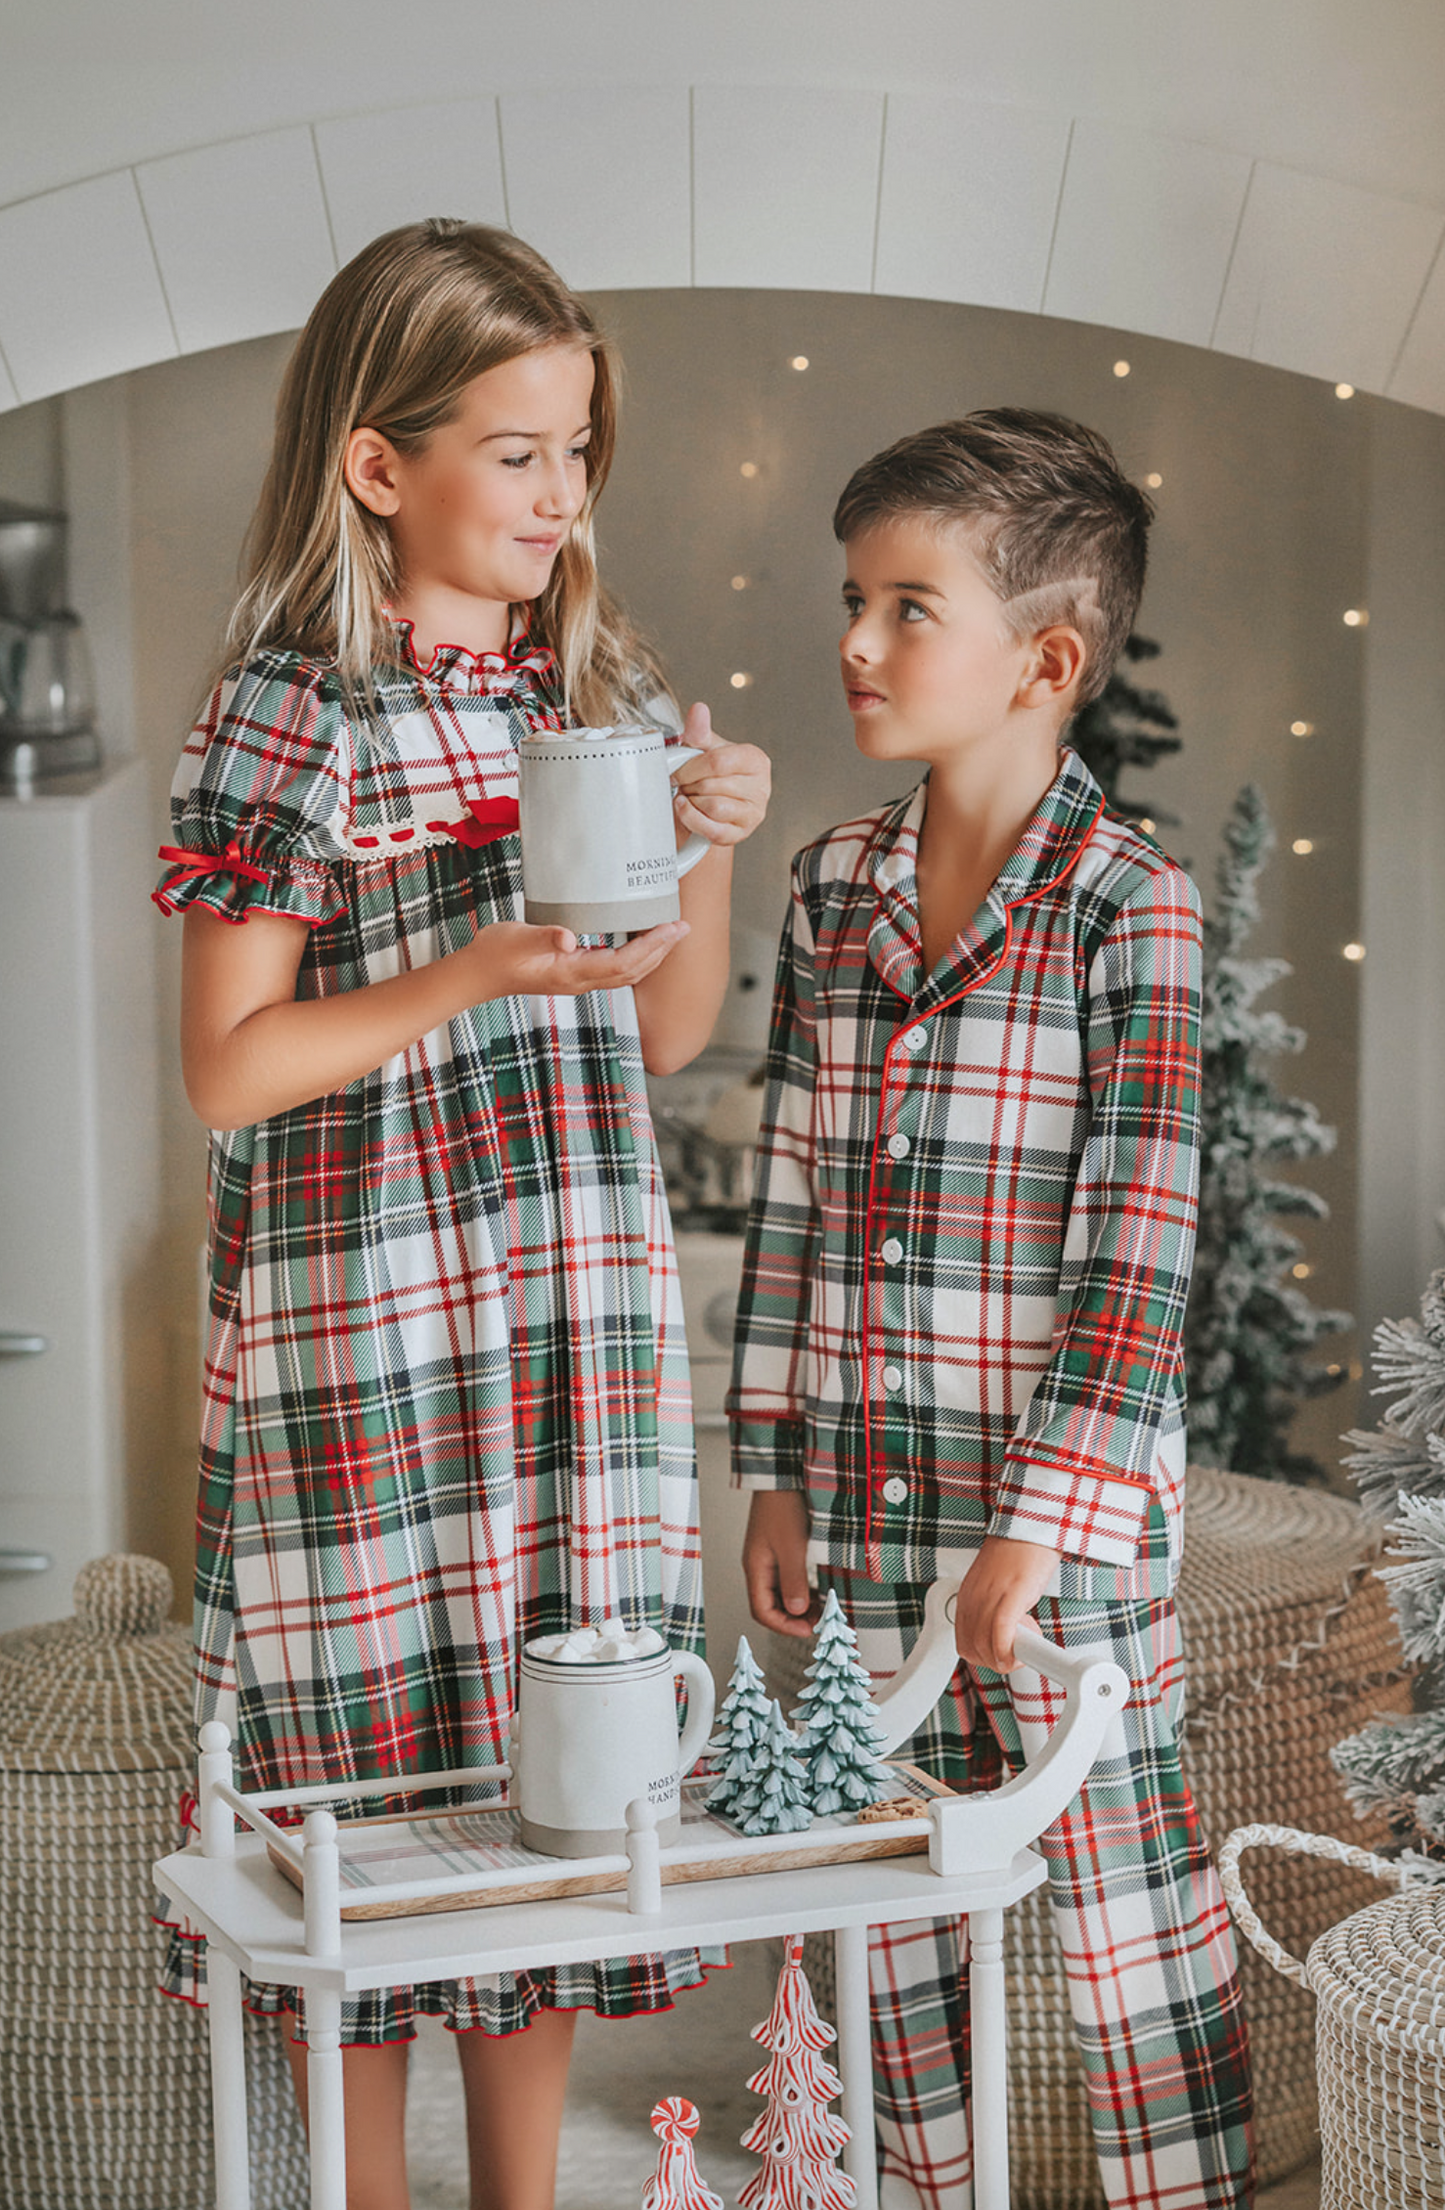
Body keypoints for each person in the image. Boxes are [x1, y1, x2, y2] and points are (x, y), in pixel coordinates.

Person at [153, 218, 770, 2210]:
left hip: (580, 1322)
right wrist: (466, 971)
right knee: (360, 1792)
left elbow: (661, 1027)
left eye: (577, 448)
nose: (561, 490)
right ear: (377, 464)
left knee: (563, 1772)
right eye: (516, 450)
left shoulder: (600, 695)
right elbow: (228, 1067)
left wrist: (709, 847)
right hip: (371, 1331)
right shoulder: (293, 713)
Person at [729, 410, 1253, 2209]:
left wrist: (1038, 1526)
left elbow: (1136, 1250)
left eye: (907, 606)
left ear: (1046, 661)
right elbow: (793, 1194)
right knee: (893, 1911)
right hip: (871, 1503)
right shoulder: (830, 888)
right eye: (851, 600)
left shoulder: (1132, 909)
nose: (858, 642)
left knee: (1125, 1920)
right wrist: (774, 1466)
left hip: (1064, 1538)